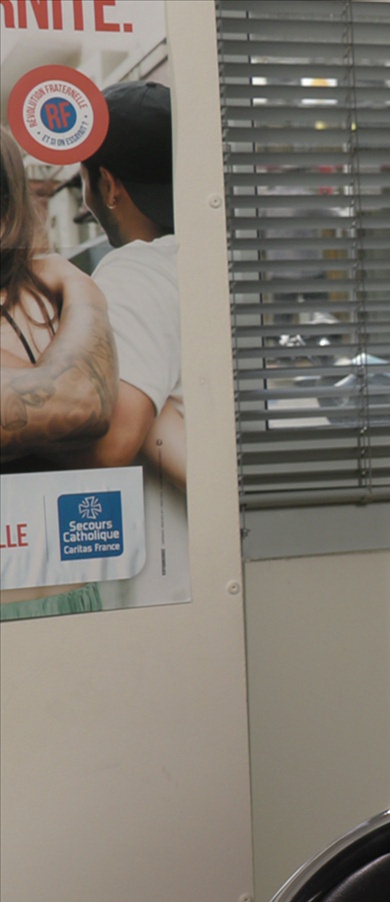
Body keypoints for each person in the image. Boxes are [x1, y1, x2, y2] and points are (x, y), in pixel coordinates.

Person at [67, 80, 189, 607]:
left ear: (109, 185)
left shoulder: (135, 273)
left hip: (170, 588)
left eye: (84, 179)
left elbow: (113, 441)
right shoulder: (210, 261)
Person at [1, 129, 120, 619]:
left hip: (61, 600)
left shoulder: (41, 301)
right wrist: (80, 286)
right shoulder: (54, 297)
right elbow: (80, 401)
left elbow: (86, 413)